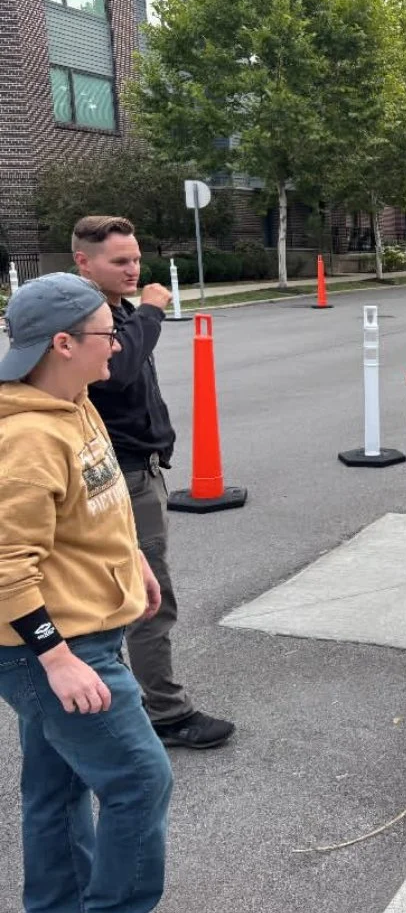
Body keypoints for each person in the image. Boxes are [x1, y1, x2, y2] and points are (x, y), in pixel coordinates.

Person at [0, 273, 174, 913]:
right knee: (139, 780)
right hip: (50, 646)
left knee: (56, 787)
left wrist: (132, 561)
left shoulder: (75, 403)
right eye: (108, 332)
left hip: (85, 632)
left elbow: (93, 504)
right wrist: (56, 659)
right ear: (64, 344)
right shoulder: (26, 438)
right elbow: (5, 564)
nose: (119, 346)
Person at [74, 215, 234, 750]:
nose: (132, 269)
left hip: (140, 467)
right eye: (119, 261)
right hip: (119, 474)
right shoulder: (87, 314)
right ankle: (166, 712)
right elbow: (118, 373)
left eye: (135, 259)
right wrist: (151, 309)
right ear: (83, 262)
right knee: (148, 596)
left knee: (127, 593)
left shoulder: (114, 312)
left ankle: (124, 699)